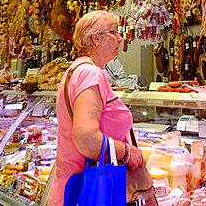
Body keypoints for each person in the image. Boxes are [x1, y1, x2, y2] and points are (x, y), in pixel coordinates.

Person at [47, 11, 146, 204]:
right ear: (96, 38)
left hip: (70, 184)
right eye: (114, 32)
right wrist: (126, 152)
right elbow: (87, 138)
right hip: (87, 187)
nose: (120, 38)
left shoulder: (75, 70)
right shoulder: (91, 73)